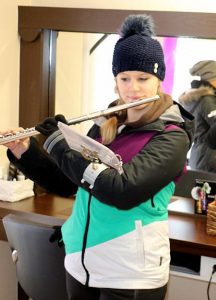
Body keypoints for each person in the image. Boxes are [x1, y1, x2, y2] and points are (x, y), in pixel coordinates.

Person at [1, 14, 190, 299]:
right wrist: (25, 152)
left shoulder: (172, 136)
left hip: (130, 274)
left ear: (159, 79)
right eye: (124, 78)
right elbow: (69, 184)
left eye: (143, 78)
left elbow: (121, 191)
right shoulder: (105, 124)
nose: (133, 89)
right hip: (80, 263)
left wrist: (58, 144)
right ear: (115, 80)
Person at [179, 59, 216, 173]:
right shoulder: (206, 99)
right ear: (211, 79)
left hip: (200, 155)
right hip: (209, 158)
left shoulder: (194, 96)